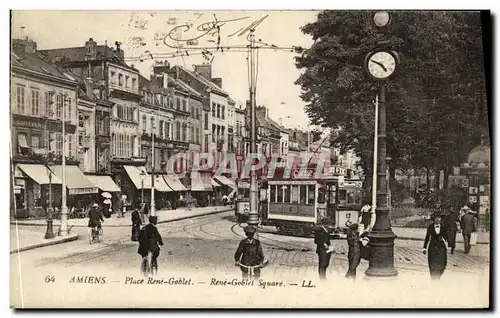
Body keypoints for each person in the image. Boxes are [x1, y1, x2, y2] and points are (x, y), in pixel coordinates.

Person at [423, 213, 448, 280]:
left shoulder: (443, 227)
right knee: (432, 262)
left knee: (443, 262)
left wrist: (443, 237)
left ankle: (439, 275)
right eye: (436, 218)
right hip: (432, 247)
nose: (438, 219)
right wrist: (424, 248)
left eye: (439, 218)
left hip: (441, 247)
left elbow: (447, 236)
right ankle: (433, 277)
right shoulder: (430, 227)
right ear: (433, 219)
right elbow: (427, 237)